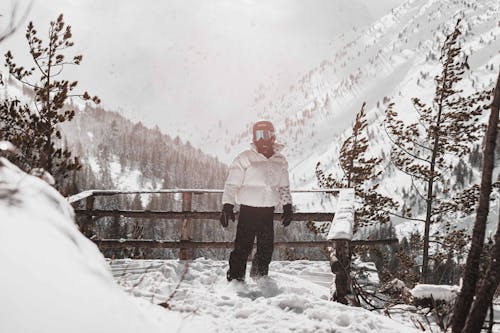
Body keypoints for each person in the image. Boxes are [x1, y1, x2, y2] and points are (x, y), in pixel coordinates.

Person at [220, 120, 293, 281]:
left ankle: (260, 276)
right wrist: (227, 205)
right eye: (258, 135)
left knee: (266, 247)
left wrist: (287, 205)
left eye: (265, 134)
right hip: (248, 210)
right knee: (242, 246)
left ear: (272, 136)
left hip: (267, 211)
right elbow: (232, 183)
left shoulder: (280, 160)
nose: (261, 139)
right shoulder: (245, 158)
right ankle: (235, 278)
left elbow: (284, 187)